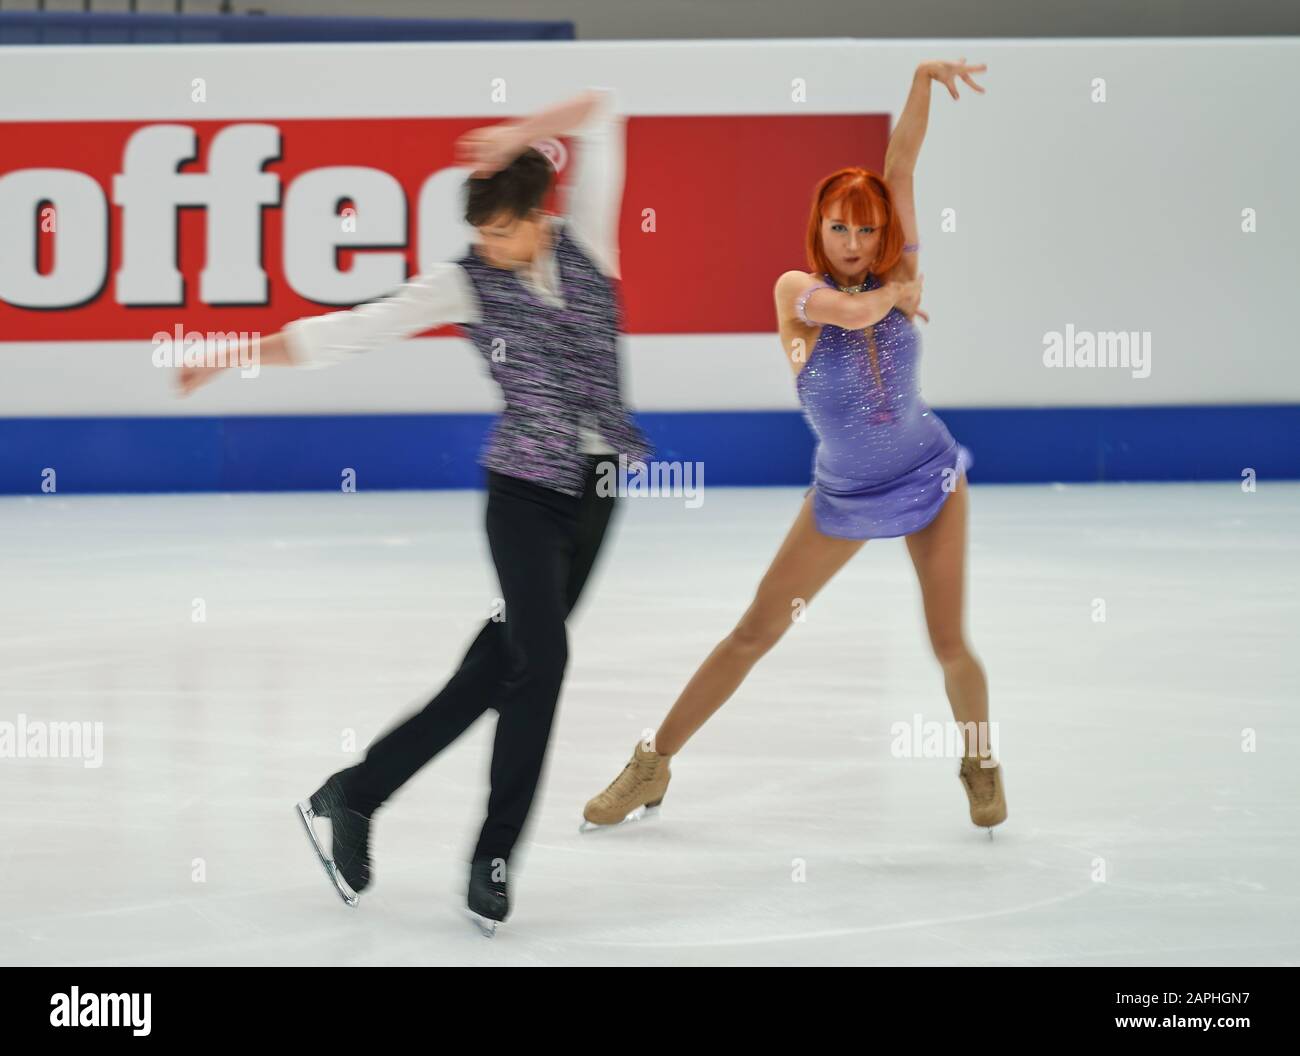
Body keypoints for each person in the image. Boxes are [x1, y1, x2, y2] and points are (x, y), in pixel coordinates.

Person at [177, 88, 649, 934]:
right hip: (523, 496)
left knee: (502, 669)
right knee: (541, 663)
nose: (489, 247)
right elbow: (348, 331)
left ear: (539, 214)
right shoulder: (465, 284)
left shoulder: (592, 245)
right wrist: (231, 353)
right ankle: (493, 856)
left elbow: (604, 111)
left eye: (503, 230)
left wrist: (522, 131)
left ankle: (354, 794)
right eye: (481, 235)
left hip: (600, 490)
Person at [583, 60, 1007, 836]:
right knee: (754, 632)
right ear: (820, 230)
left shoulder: (899, 268)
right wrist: (898, 294)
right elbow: (850, 314)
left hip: (930, 476)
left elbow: (901, 164)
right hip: (842, 495)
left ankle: (978, 760)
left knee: (950, 644)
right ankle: (653, 764)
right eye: (840, 227)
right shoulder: (795, 296)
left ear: (884, 232)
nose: (854, 240)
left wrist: (919, 80)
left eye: (868, 227)